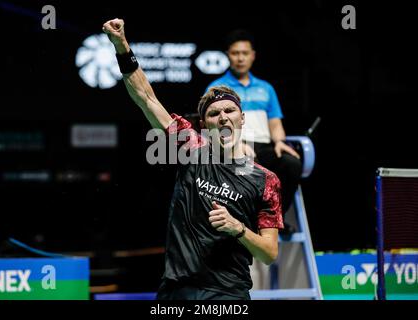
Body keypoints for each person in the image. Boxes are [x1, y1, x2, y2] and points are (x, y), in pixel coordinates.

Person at [102, 18, 283, 300]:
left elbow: (269, 253)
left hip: (228, 294)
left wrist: (238, 229)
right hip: (176, 290)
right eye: (213, 113)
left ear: (242, 118)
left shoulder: (265, 180)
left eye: (229, 110)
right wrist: (122, 46)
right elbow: (146, 98)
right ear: (204, 125)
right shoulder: (191, 148)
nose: (222, 116)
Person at [206, 29, 302, 226]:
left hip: (264, 147)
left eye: (245, 53)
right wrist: (236, 145)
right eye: (235, 53)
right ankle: (246, 221)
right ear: (228, 56)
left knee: (291, 163)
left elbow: (275, 123)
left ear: (253, 56)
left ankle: (275, 219)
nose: (240, 58)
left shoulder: (266, 88)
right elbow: (212, 126)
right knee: (245, 164)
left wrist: (280, 142)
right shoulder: (216, 88)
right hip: (231, 148)